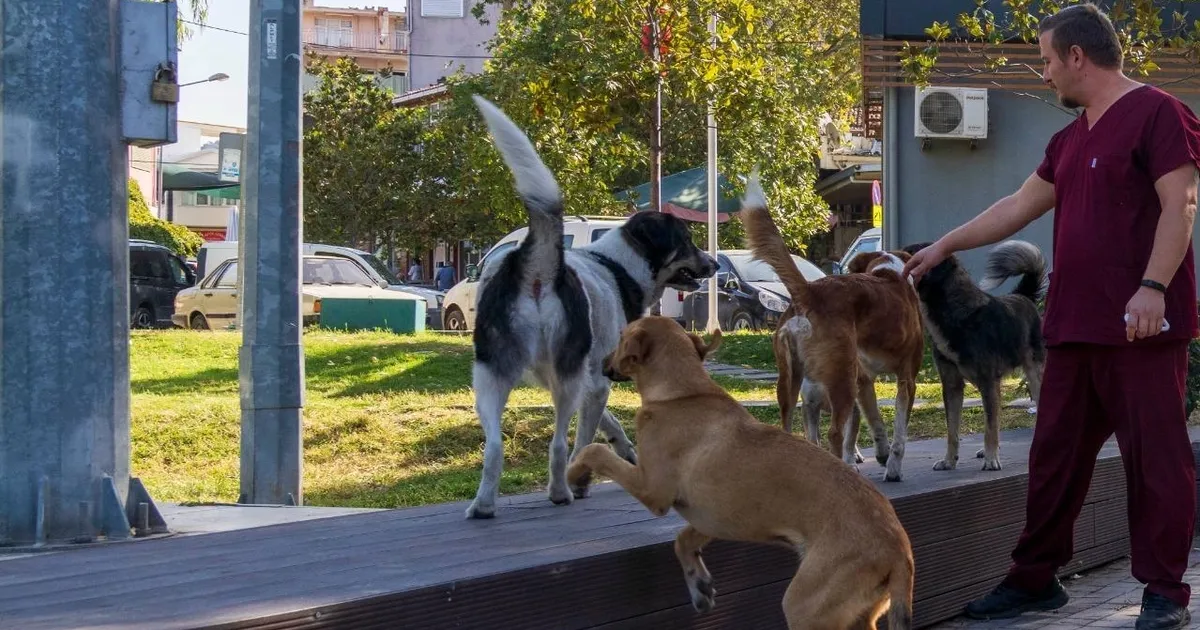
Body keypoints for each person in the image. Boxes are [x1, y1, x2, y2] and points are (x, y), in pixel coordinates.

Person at [903, 4, 1200, 629]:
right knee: (1053, 460)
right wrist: (945, 246)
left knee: (1157, 461)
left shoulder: (1159, 114)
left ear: (1076, 57)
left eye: (1044, 60)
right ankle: (1035, 580)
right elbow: (1017, 205)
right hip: (1071, 329)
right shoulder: (1068, 140)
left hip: (1142, 328)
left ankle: (1165, 592)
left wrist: (1153, 286)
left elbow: (1183, 201)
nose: (1043, 74)